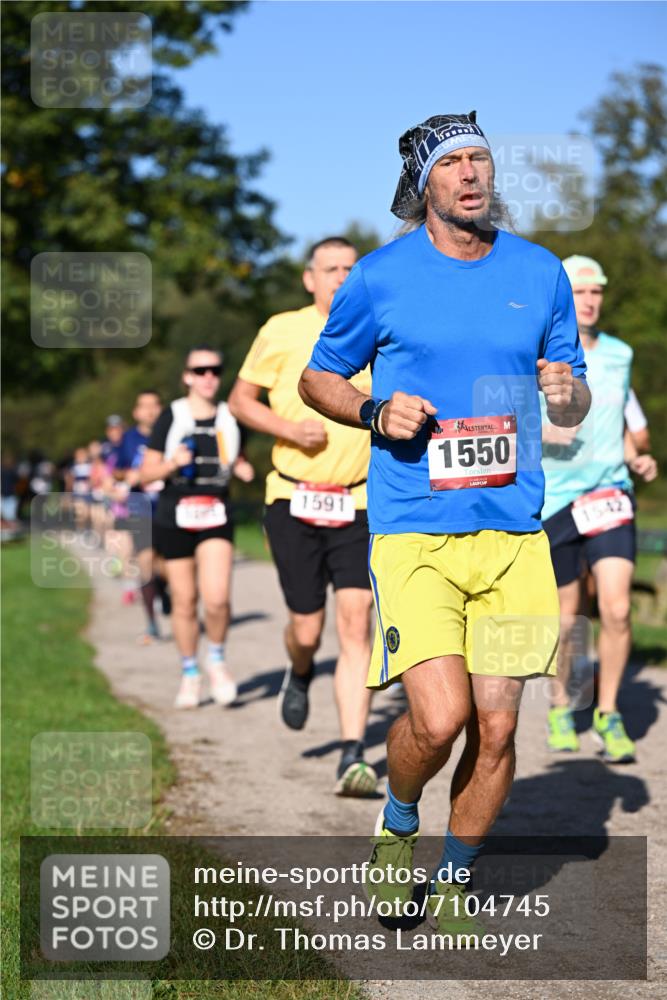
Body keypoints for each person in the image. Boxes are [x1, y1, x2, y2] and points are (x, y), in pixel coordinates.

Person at [298, 111, 591, 930]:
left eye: (480, 161)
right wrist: (372, 407)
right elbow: (318, 379)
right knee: (439, 718)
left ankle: (456, 878)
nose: (471, 175)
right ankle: (397, 826)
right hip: (414, 527)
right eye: (453, 163)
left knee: (496, 731)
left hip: (511, 533)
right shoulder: (380, 277)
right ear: (423, 184)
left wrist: (569, 394)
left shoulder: (538, 273)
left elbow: (568, 382)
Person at [229, 236, 378, 797]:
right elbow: (240, 401)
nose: (341, 276)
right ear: (309, 278)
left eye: (349, 268)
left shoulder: (377, 329)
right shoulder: (281, 329)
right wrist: (288, 430)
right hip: (292, 497)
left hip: (360, 499)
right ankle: (299, 668)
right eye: (330, 268)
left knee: (355, 623)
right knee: (308, 629)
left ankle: (352, 752)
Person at [541, 255, 657, 762]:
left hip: (609, 495)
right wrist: (544, 430)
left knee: (615, 607)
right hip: (554, 499)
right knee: (569, 618)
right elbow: (509, 419)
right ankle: (562, 706)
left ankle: (608, 713)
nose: (589, 300)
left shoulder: (620, 354)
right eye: (579, 291)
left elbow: (618, 422)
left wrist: (637, 456)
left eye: (596, 292)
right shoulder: (539, 355)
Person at [140, 347, 253, 709]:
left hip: (216, 511)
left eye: (215, 370)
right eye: (200, 370)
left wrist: (243, 469)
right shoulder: (170, 416)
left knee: (217, 598)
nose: (208, 377)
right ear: (187, 376)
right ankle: (190, 672)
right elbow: (146, 473)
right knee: (185, 602)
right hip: (176, 514)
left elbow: (242, 460)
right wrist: (173, 463)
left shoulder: (231, 416)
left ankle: (216, 659)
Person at [114, 390, 169, 643]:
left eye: (154, 405)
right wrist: (128, 476)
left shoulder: (171, 431)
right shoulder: (128, 439)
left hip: (169, 507)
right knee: (146, 563)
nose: (149, 411)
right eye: (144, 406)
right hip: (140, 509)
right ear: (136, 412)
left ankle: (165, 591)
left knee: (165, 565)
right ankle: (151, 623)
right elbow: (117, 471)